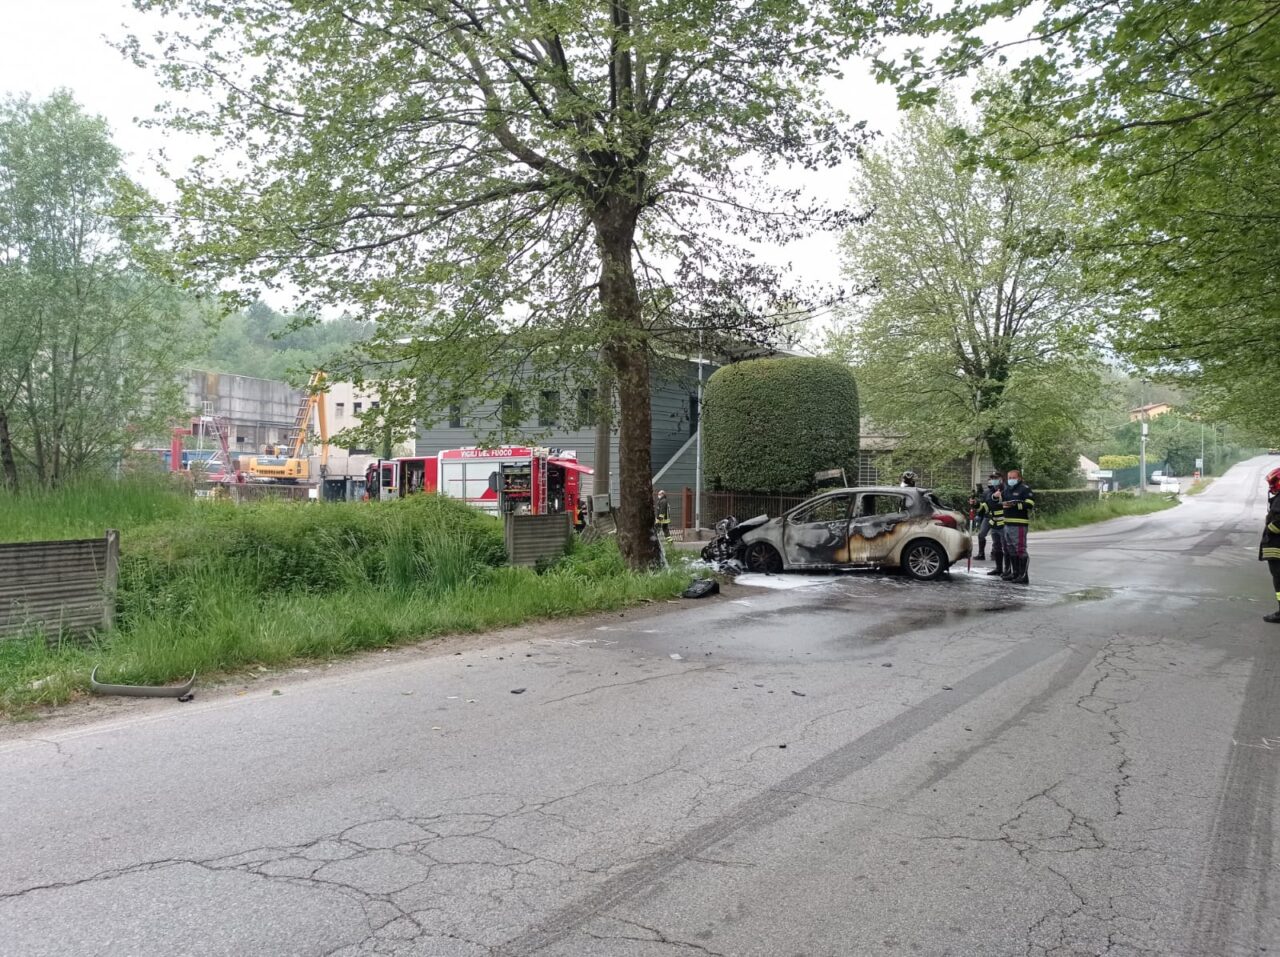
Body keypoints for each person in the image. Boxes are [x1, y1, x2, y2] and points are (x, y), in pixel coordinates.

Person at [1000, 468, 1035, 584]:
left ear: (1019, 478)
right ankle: (1015, 573)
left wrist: (1015, 505)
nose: (1011, 480)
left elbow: (1030, 504)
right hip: (1007, 523)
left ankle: (1023, 576)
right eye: (1009, 478)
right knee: (1010, 549)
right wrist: (998, 499)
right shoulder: (1007, 489)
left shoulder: (1024, 489)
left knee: (1020, 549)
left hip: (1019, 523)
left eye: (1013, 478)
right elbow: (999, 501)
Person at [1259, 467, 1280, 622]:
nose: (1271, 486)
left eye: (1273, 482)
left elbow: (1278, 524)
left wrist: (1269, 529)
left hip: (1277, 548)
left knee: (1279, 581)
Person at [975, 471, 1001, 562]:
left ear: (1000, 479)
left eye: (995, 478)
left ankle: (995, 553)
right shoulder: (986, 492)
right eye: (991, 479)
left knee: (996, 537)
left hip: (999, 518)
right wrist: (976, 508)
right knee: (981, 534)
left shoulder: (1003, 491)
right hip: (987, 517)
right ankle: (981, 554)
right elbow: (982, 506)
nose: (992, 480)